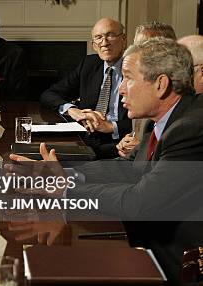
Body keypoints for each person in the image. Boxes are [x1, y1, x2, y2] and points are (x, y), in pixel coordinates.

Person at [11, 37, 203, 285]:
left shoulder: (190, 128)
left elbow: (139, 203)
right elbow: (129, 168)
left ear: (160, 84)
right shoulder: (168, 118)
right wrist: (65, 173)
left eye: (129, 78)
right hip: (147, 239)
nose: (121, 88)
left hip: (177, 260)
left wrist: (66, 190)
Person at [40, 18, 130, 159]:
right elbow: (49, 95)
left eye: (110, 35)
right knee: (44, 151)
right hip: (87, 136)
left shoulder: (135, 67)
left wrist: (112, 126)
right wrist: (72, 110)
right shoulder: (89, 65)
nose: (104, 43)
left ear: (123, 39)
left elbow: (147, 120)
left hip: (119, 140)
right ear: (94, 45)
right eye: (98, 38)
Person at [115, 21, 177, 158]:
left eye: (146, 46)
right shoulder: (139, 86)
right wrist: (128, 140)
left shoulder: (168, 93)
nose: (138, 51)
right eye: (136, 45)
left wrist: (140, 149)